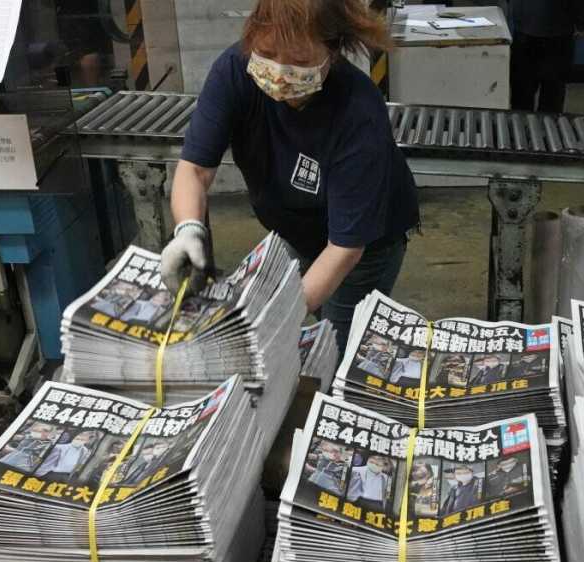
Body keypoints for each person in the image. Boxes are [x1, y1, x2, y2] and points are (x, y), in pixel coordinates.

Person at [161, 0, 420, 354]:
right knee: (270, 317)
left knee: (336, 344)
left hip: (365, 243)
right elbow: (195, 169)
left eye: (299, 61)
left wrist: (280, 317)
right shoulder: (234, 72)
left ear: (332, 49)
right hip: (294, 229)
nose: (280, 72)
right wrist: (189, 229)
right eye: (267, 52)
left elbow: (344, 250)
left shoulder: (358, 112)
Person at [508, 0, 584, 113]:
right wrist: (581, 23)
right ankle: (547, 126)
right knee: (552, 94)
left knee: (522, 93)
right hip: (559, 30)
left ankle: (522, 127)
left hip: (525, 27)